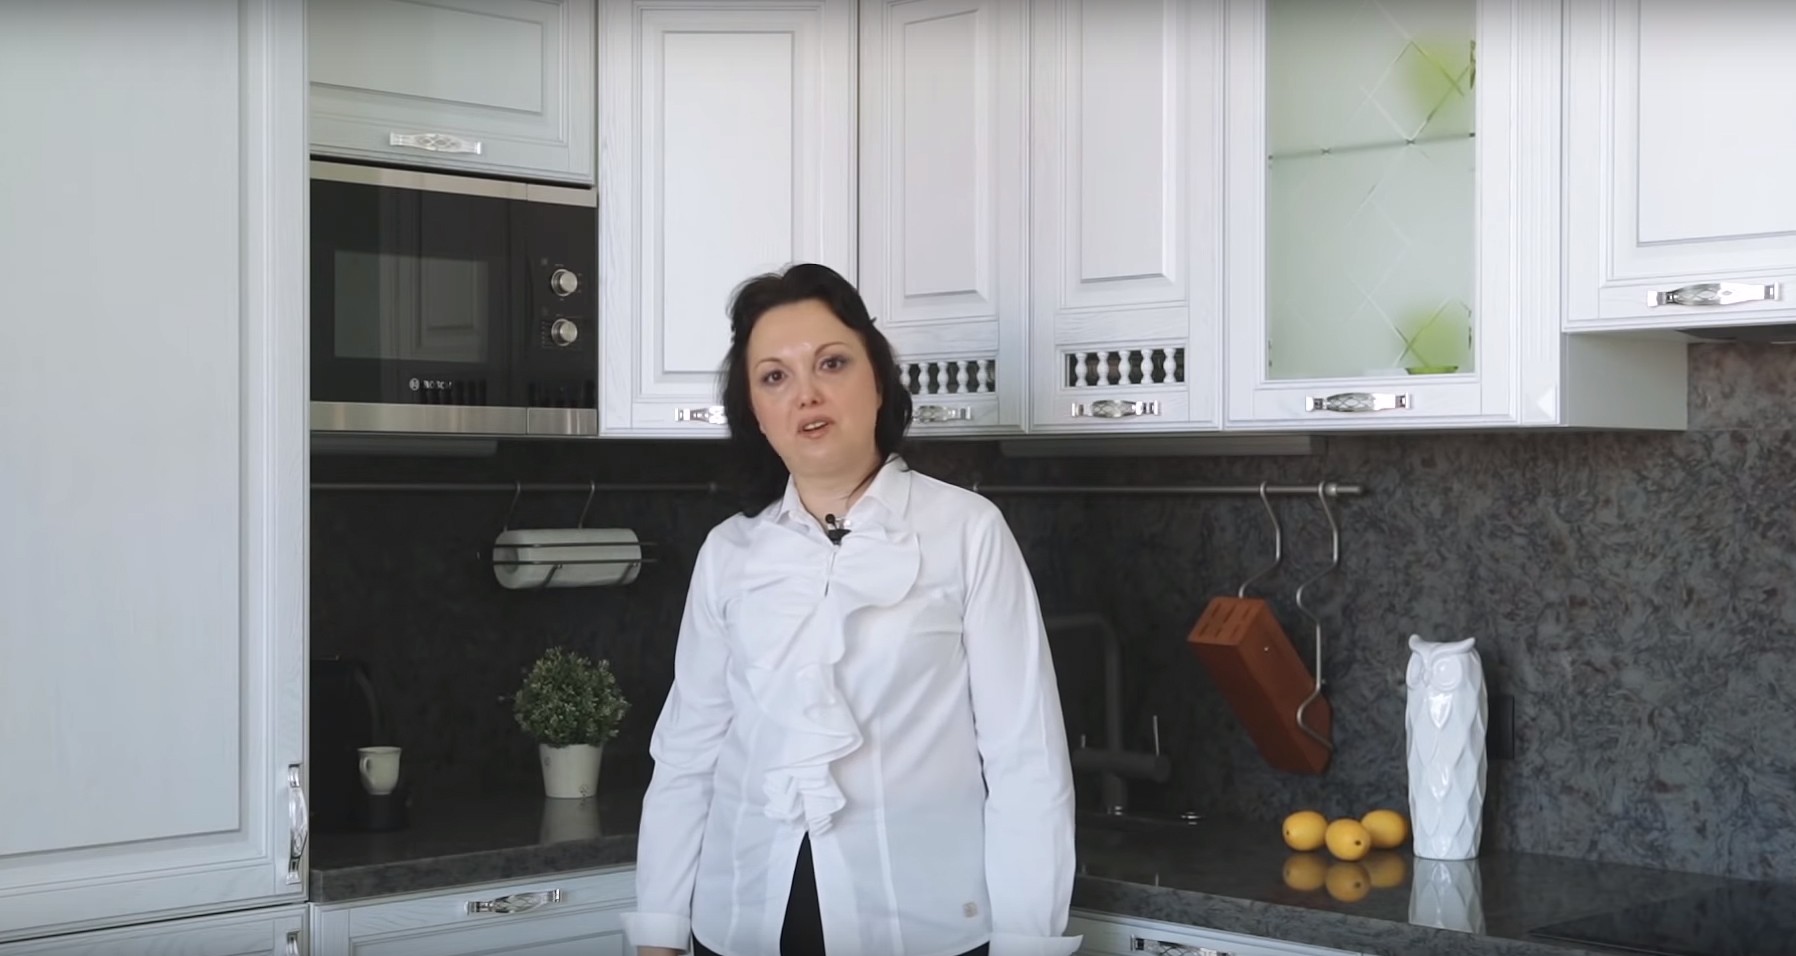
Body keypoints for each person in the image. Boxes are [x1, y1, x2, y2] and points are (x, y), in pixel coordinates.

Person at [619, 263, 1081, 956]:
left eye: (831, 363)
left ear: (878, 381)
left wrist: (1027, 943)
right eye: (774, 377)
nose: (806, 393)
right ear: (755, 414)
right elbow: (688, 756)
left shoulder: (967, 532)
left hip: (921, 931)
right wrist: (658, 929)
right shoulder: (729, 553)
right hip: (739, 922)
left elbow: (1026, 760)